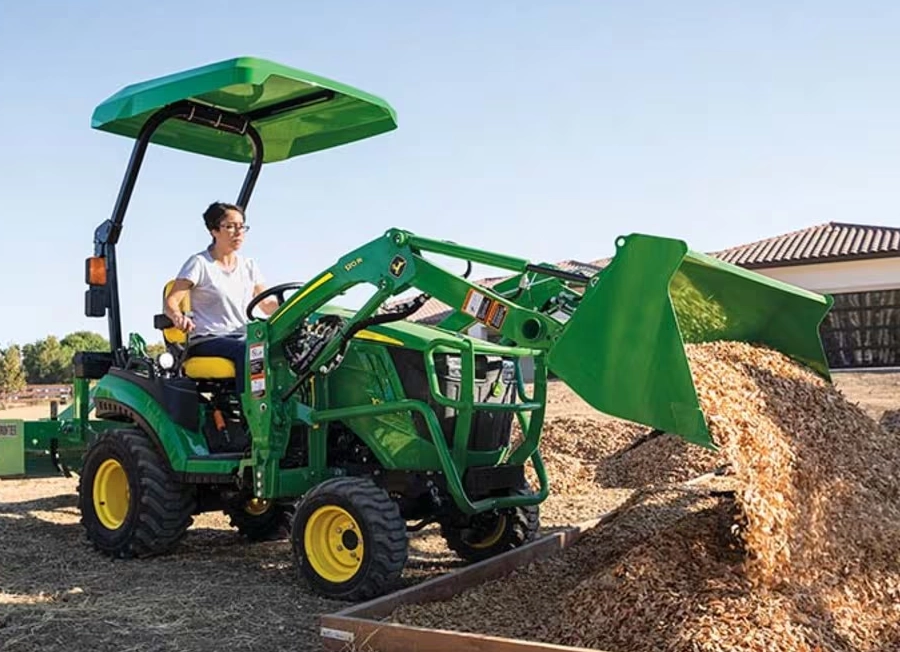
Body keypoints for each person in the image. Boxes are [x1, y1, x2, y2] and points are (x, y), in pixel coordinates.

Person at [164, 201, 275, 392]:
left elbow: (267, 303)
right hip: (207, 339)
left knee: (286, 348)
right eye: (230, 227)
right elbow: (171, 301)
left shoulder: (249, 266)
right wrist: (178, 317)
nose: (238, 232)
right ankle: (252, 414)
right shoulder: (200, 264)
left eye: (242, 227)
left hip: (242, 336)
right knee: (248, 352)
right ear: (213, 231)